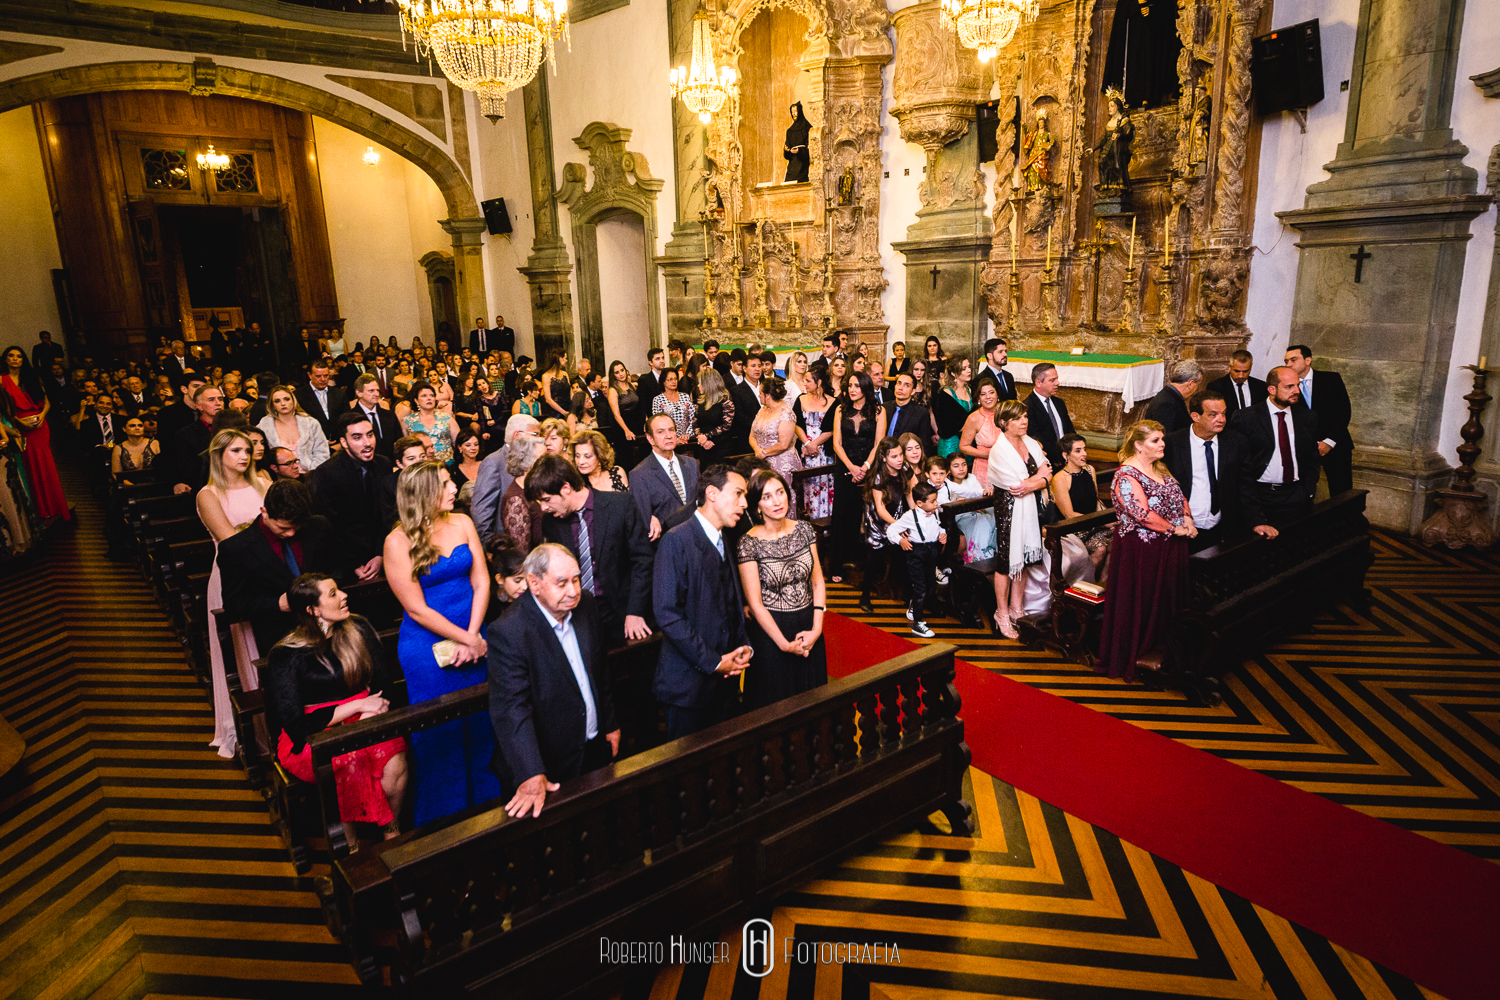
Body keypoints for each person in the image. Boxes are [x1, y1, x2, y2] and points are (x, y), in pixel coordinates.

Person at [384, 460, 500, 825]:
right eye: (447, 483)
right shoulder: (397, 541)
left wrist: (475, 633)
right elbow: (416, 609)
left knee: (482, 723)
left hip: (474, 633)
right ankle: (442, 822)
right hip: (427, 648)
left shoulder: (463, 523)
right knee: (441, 733)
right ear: (424, 494)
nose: (455, 488)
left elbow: (482, 580)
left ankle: (488, 810)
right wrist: (465, 637)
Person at [263, 574, 408, 841]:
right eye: (332, 594)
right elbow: (296, 726)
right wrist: (356, 705)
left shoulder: (358, 628)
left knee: (394, 761)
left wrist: (368, 708)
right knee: (345, 760)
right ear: (313, 610)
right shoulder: (286, 654)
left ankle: (391, 829)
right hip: (315, 730)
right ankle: (350, 849)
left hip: (368, 711)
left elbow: (383, 681)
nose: (343, 595)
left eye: (338, 590)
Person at [487, 544, 621, 818]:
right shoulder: (509, 632)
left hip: (593, 748)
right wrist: (531, 772)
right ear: (534, 584)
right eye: (561, 583)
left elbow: (599, 672)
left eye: (576, 579)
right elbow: (512, 710)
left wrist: (610, 724)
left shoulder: (586, 606)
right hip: (549, 761)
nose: (573, 591)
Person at [653, 465, 753, 739]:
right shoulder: (675, 541)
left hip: (725, 686)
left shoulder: (724, 538)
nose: (744, 503)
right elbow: (668, 615)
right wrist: (714, 661)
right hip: (689, 689)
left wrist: (742, 644)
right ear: (711, 493)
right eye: (738, 494)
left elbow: (729, 602)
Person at [1097, 421, 1193, 682]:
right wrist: (1175, 530)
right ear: (1138, 445)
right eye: (1155, 440)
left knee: (1165, 598)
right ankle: (1136, 651)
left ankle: (1165, 646)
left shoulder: (1159, 467)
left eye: (1162, 438)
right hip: (1142, 550)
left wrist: (1187, 518)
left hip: (1169, 545)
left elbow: (1179, 495)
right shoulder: (1126, 475)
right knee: (1144, 598)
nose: (1162, 444)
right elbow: (1142, 515)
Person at [526, 455, 654, 643]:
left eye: (546, 499)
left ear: (566, 488)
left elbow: (643, 561)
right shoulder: (551, 522)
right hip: (578, 615)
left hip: (623, 611)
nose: (543, 507)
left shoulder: (621, 505)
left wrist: (635, 611)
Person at [197, 429, 270, 758]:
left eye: (248, 449)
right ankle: (254, 735)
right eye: (236, 450)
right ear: (219, 456)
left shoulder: (263, 482)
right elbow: (231, 542)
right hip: (232, 580)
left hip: (270, 573)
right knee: (242, 653)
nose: (245, 455)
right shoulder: (208, 494)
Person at [736, 468, 826, 710]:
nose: (777, 501)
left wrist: (817, 629)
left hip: (809, 624)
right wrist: (784, 645)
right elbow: (754, 603)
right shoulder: (748, 543)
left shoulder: (805, 530)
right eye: (767, 497)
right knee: (776, 706)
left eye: (780, 492)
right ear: (756, 507)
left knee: (814, 702)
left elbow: (817, 581)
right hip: (771, 631)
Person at [219, 480, 340, 655]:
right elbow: (233, 606)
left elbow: (337, 569)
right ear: (264, 512)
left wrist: (327, 594)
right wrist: (277, 604)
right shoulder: (236, 548)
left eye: (297, 527)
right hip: (279, 638)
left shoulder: (319, 526)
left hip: (329, 626)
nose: (291, 533)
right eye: (283, 527)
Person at [1164, 391, 1265, 551]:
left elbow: (1245, 486)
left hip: (1222, 527)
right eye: (1213, 414)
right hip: (1183, 528)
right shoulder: (1171, 444)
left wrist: (1256, 521)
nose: (1222, 419)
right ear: (1195, 416)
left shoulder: (1236, 442)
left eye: (1223, 413)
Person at [987, 399, 1053, 639]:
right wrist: (1037, 480)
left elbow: (1048, 473)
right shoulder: (999, 450)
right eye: (1017, 418)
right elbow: (1016, 488)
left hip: (1031, 508)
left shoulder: (1031, 443)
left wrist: (1034, 483)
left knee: (1024, 559)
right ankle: (1001, 613)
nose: (1024, 421)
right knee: (1006, 561)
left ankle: (1016, 607)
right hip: (1009, 511)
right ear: (1004, 422)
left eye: (1025, 416)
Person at [307, 411, 396, 583]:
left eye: (370, 435)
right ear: (344, 442)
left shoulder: (383, 464)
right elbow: (328, 527)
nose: (367, 443)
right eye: (357, 437)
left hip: (383, 554)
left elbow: (388, 514)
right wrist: (354, 565)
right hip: (346, 563)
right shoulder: (327, 473)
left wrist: (380, 555)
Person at [1230, 365, 1320, 528]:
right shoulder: (1246, 418)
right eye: (1289, 386)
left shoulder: (1307, 417)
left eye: (1297, 385)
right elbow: (1237, 464)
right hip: (1260, 496)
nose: (1296, 391)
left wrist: (1307, 490)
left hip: (1296, 495)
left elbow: (1312, 458)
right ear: (1272, 389)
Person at [829, 371, 885, 583]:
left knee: (868, 518)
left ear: (866, 388)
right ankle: (837, 565)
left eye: (856, 386)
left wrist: (865, 467)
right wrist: (852, 468)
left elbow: (879, 443)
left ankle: (868, 564)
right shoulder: (840, 409)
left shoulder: (879, 410)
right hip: (845, 467)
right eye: (850, 385)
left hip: (869, 469)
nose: (852, 389)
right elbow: (836, 443)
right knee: (843, 517)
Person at [1, 347, 68, 520]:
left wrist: (42, 416)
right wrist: (19, 421)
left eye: (19, 356)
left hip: (40, 424)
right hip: (19, 425)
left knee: (46, 464)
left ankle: (54, 505)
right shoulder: (1, 380)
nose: (15, 359)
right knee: (28, 465)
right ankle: (38, 509)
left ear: (23, 360)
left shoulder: (31, 378)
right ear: (5, 359)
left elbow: (47, 402)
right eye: (11, 356)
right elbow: (4, 410)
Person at [1285, 344, 1353, 496]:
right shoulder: (1287, 386)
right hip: (1304, 449)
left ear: (1308, 360)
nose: (1288, 364)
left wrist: (1329, 442)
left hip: (1336, 445)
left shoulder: (1331, 379)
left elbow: (1344, 412)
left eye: (1293, 360)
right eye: (1286, 361)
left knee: (1342, 492)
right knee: (1303, 491)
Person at [887, 481, 947, 638]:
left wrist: (942, 533)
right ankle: (917, 624)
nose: (936, 503)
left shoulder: (934, 512)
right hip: (916, 554)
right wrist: (900, 540)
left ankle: (914, 607)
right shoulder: (910, 516)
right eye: (933, 501)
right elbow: (892, 530)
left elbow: (938, 526)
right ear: (920, 503)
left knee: (929, 587)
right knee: (920, 588)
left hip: (931, 551)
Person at [1051, 433, 1110, 583]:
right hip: (1074, 529)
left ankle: (1103, 582)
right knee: (1101, 549)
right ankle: (1082, 588)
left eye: (1084, 449)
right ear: (1066, 455)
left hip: (1094, 523)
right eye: (1078, 450)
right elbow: (1069, 515)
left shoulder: (1090, 470)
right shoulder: (1060, 479)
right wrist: (1102, 522)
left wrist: (1106, 519)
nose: (1084, 454)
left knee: (1120, 540)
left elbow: (1095, 501)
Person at [471, 414, 541, 539]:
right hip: (506, 541)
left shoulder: (532, 461)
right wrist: (491, 547)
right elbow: (482, 511)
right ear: (517, 435)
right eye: (535, 434)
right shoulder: (494, 462)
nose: (539, 439)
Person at [858, 436, 907, 614]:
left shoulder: (904, 469)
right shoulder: (878, 477)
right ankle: (864, 595)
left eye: (901, 454)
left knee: (905, 551)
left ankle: (905, 593)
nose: (900, 459)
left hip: (896, 516)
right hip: (877, 522)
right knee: (875, 558)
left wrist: (913, 520)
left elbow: (908, 495)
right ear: (884, 458)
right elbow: (879, 508)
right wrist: (898, 525)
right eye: (894, 456)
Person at [631, 413, 698, 541]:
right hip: (667, 543)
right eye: (661, 432)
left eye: (671, 430)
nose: (668, 436)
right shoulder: (639, 474)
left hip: (697, 541)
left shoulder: (691, 464)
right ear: (650, 439)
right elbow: (642, 521)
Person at [791, 368, 835, 520]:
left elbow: (832, 429)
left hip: (824, 451)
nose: (805, 383)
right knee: (807, 488)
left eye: (808, 380)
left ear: (819, 382)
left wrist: (814, 444)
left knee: (825, 487)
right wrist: (807, 443)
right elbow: (796, 424)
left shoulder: (833, 402)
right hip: (805, 450)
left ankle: (825, 524)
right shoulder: (801, 399)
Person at [258, 386, 330, 473]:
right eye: (277, 401)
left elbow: (322, 453)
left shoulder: (311, 423)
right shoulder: (264, 426)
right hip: (279, 478)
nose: (283, 403)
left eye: (286, 399)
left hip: (310, 475)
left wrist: (312, 473)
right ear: (272, 405)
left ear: (293, 401)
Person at [173, 382, 224, 493]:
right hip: (205, 488)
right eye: (211, 400)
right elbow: (188, 470)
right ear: (199, 406)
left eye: (220, 399)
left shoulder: (233, 428)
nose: (218, 403)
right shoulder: (185, 434)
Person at [750, 376, 802, 487]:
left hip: (782, 463)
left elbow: (784, 444)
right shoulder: (762, 410)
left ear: (767, 395)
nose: (758, 396)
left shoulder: (786, 413)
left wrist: (764, 453)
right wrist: (757, 449)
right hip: (762, 461)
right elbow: (752, 435)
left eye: (760, 393)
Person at [1023, 362, 1074, 470]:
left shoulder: (1059, 403)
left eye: (1057, 379)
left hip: (1068, 461)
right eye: (1052, 380)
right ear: (1038, 383)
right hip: (1046, 464)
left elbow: (1069, 430)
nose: (1057, 383)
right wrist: (1058, 458)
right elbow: (1034, 439)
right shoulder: (1027, 407)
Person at [500, 434, 547, 550]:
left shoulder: (538, 488)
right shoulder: (515, 500)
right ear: (527, 464)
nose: (548, 462)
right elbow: (521, 552)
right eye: (543, 458)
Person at [402, 380, 458, 464]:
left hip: (446, 466)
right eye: (424, 396)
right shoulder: (407, 422)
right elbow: (405, 448)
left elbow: (458, 444)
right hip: (420, 466)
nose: (429, 398)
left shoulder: (448, 419)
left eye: (432, 395)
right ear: (416, 401)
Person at [959, 377, 1002, 484]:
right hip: (984, 468)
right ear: (978, 398)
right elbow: (963, 447)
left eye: (991, 392)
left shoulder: (1005, 413)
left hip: (1006, 465)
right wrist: (987, 455)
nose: (988, 397)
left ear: (997, 395)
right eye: (983, 394)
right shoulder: (974, 418)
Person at [350, 374, 402, 460]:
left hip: (390, 466)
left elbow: (399, 443)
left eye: (377, 390)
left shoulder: (389, 415)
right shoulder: (350, 417)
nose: (376, 394)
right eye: (371, 391)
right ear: (359, 393)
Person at [1143, 360, 1202, 435]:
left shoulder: (1171, 396)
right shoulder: (1167, 403)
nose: (1197, 389)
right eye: (1198, 384)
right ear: (1190, 383)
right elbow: (1165, 435)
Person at [295, 360, 348, 442]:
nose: (323, 379)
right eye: (318, 376)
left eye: (326, 376)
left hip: (338, 443)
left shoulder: (339, 394)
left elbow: (346, 419)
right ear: (310, 375)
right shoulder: (299, 395)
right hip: (312, 444)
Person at [932, 356, 974, 457]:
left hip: (967, 440)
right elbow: (945, 423)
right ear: (953, 373)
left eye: (969, 367)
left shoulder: (969, 389)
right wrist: (970, 427)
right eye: (964, 369)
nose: (969, 370)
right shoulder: (946, 393)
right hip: (950, 441)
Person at [483, 532, 529, 621]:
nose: (525, 587)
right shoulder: (490, 607)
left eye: (527, 580)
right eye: (517, 581)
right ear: (500, 579)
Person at [692, 368, 735, 461]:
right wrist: (701, 439)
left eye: (701, 383)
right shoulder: (700, 401)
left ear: (708, 384)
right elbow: (695, 422)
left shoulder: (726, 401)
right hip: (703, 447)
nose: (698, 386)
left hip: (721, 447)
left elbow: (726, 425)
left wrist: (706, 436)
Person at [1208, 349, 1266, 417]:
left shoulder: (1261, 386)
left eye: (1245, 371)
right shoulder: (1216, 387)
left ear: (1251, 367)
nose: (1241, 376)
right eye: (1237, 371)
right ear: (1229, 367)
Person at [569, 428, 629, 492]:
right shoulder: (574, 483)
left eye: (587, 456)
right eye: (577, 456)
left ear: (600, 456)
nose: (580, 462)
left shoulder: (617, 473)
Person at [604, 360, 639, 459]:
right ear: (613, 375)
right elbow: (616, 414)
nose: (621, 374)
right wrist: (626, 430)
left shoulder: (630, 385)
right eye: (617, 372)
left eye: (622, 370)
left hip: (635, 424)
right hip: (622, 427)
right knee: (626, 458)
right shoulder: (612, 390)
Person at [110, 416, 159, 485]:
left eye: (140, 425)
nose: (137, 428)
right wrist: (133, 486)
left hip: (155, 485)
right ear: (124, 429)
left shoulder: (154, 443)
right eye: (132, 426)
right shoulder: (119, 448)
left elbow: (163, 467)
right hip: (129, 488)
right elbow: (116, 474)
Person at [650, 368, 695, 438]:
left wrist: (688, 434)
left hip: (687, 438)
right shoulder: (658, 400)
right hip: (668, 438)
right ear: (663, 382)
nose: (673, 381)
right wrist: (675, 438)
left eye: (675, 379)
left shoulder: (685, 396)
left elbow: (693, 418)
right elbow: (658, 423)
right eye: (670, 379)